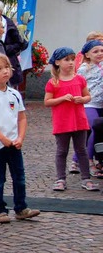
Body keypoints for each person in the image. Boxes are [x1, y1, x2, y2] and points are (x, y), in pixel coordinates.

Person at [0, 53, 40, 223]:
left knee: (19, 177)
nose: (5, 71)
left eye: (6, 67)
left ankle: (21, 207)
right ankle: (0, 209)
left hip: (14, 143)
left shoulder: (14, 94)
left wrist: (20, 137)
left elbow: (22, 118)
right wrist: (1, 138)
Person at [44, 47, 97, 192]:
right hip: (62, 122)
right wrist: (61, 98)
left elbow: (88, 96)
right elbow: (47, 101)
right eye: (67, 60)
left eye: (73, 59)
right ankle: (60, 178)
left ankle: (86, 178)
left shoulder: (80, 79)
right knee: (62, 151)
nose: (71, 63)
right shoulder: (53, 82)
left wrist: (82, 99)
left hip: (79, 121)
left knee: (82, 150)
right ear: (57, 62)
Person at [76, 40, 103, 173]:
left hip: (101, 104)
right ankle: (88, 160)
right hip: (89, 103)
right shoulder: (83, 69)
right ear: (87, 54)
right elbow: (77, 86)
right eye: (95, 51)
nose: (99, 54)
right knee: (91, 129)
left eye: (102, 51)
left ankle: (98, 159)